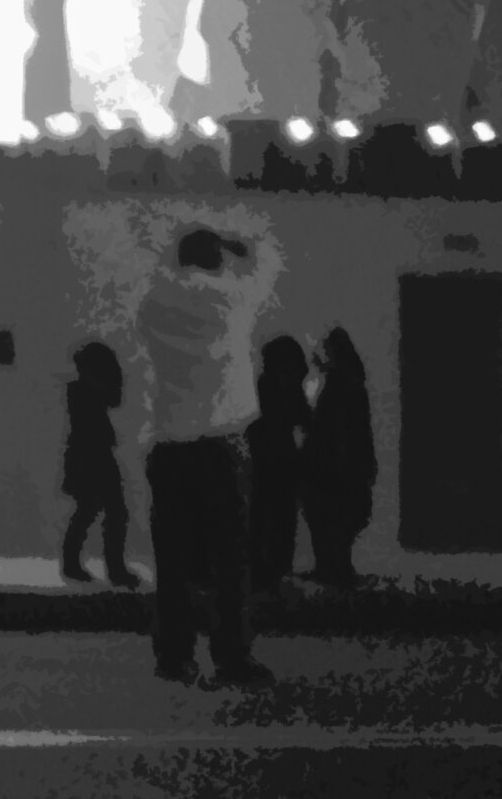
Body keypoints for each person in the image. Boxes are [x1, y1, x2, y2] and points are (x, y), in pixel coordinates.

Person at [136, 226, 276, 688]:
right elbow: (263, 260)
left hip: (170, 446)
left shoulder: (156, 301)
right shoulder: (231, 298)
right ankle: (231, 658)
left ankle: (174, 657)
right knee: (229, 561)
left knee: (173, 561)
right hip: (222, 445)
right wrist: (238, 244)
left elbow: (155, 273)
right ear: (219, 260)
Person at [299, 326, 377, 588]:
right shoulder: (350, 383)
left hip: (333, 465)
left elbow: (331, 426)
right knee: (336, 522)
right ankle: (335, 570)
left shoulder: (340, 386)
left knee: (329, 520)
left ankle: (333, 570)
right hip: (342, 465)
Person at [59, 342, 139, 587]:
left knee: (93, 510)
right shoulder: (80, 389)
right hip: (92, 455)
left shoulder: (78, 389)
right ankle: (110, 569)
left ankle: (77, 564)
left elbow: (112, 398)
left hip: (88, 455)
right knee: (107, 511)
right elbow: (111, 398)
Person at [248, 335, 312, 597]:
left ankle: (264, 568)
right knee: (281, 513)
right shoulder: (289, 385)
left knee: (265, 512)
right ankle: (276, 567)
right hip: (282, 453)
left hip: (266, 452)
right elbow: (301, 416)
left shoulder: (267, 383)